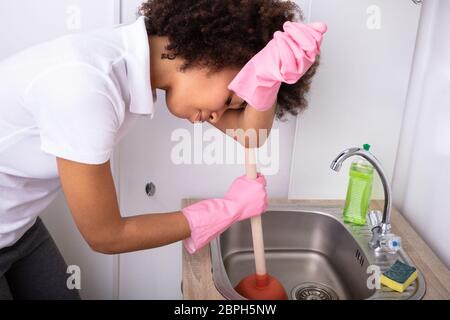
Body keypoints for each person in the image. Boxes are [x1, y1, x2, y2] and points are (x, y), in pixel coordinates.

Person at [0, 0, 325, 299]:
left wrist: (268, 81)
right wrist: (225, 210)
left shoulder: (131, 62)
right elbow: (106, 235)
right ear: (213, 53)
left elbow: (250, 136)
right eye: (228, 102)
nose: (216, 118)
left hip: (19, 225)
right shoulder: (86, 86)